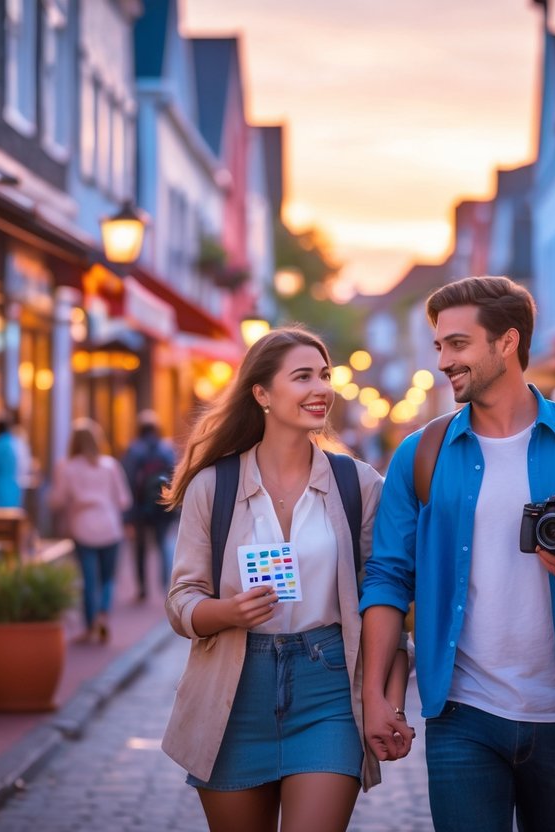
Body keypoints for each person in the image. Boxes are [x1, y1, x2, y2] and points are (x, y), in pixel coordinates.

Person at [360, 276, 555, 832]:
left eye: (457, 344)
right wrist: (375, 695)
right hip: (461, 714)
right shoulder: (419, 454)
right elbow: (386, 577)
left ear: (507, 342)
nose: (444, 361)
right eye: (439, 346)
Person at [160, 326, 409, 832]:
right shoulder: (215, 485)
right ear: (262, 394)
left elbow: (387, 599)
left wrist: (391, 700)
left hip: (329, 690)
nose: (321, 388)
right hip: (233, 693)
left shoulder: (357, 484)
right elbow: (182, 601)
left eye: (324, 375)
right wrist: (228, 612)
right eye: (302, 377)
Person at [48, 418, 132, 645]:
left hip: (83, 528)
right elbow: (124, 500)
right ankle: (103, 614)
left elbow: (58, 500)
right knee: (107, 579)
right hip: (110, 527)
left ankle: (89, 626)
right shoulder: (110, 465)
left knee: (88, 579)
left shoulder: (66, 467)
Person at [122, 410, 179, 601]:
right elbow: (175, 476)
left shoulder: (133, 449)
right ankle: (165, 586)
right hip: (162, 505)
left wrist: (128, 514)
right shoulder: (166, 448)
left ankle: (142, 588)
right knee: (163, 544)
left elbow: (128, 480)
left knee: (140, 549)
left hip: (140, 506)